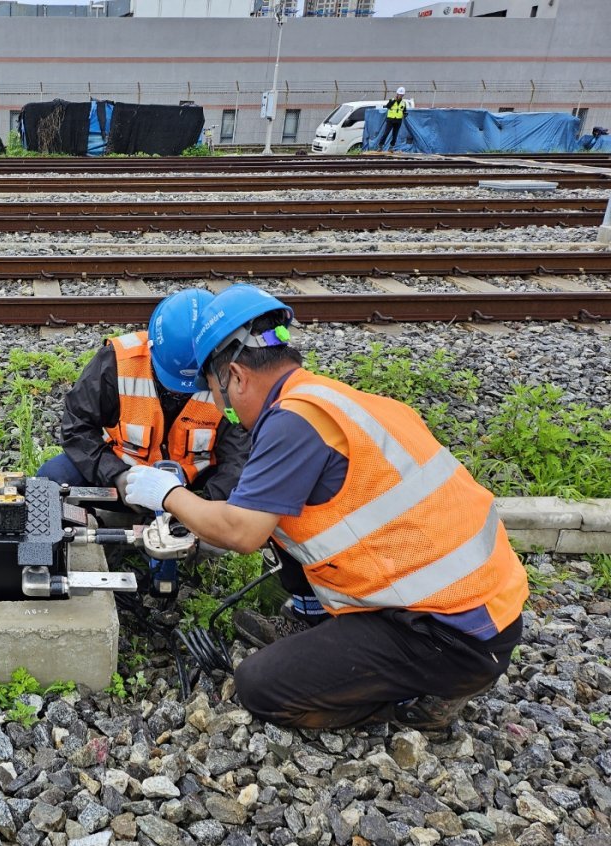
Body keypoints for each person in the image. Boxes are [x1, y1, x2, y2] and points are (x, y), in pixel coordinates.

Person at [122, 284, 526, 730]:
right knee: (285, 515)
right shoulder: (327, 399)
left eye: (218, 394)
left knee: (261, 686)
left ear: (235, 376)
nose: (223, 408)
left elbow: (242, 531)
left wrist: (168, 495)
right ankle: (313, 624)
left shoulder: (293, 423)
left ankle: (417, 701)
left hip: (450, 636)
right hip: (478, 609)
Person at [37, 288, 250, 511]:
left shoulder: (233, 376)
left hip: (194, 488)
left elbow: (240, 455)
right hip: (125, 477)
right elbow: (77, 427)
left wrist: (201, 511)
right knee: (52, 480)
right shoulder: (117, 361)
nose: (181, 392)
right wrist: (116, 475)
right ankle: (87, 527)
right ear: (152, 347)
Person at [375, 87, 409, 151]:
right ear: (397, 94)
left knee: (395, 135)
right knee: (386, 133)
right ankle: (380, 146)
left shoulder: (403, 103)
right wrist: (394, 100)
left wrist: (405, 114)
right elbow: (388, 106)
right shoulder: (391, 100)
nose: (400, 96)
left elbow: (404, 110)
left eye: (402, 95)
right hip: (390, 120)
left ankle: (391, 147)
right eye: (399, 94)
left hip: (398, 120)